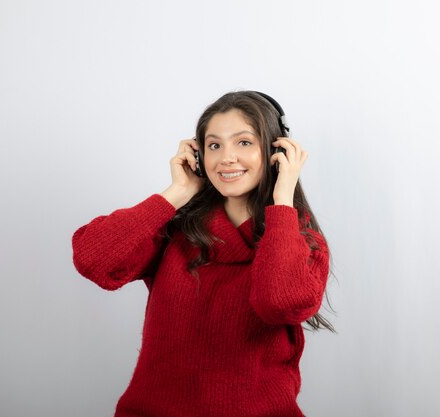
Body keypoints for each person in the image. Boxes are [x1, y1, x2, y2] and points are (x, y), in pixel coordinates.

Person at [71, 90, 335, 417]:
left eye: (243, 142)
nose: (226, 158)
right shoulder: (175, 230)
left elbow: (279, 301)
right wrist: (177, 192)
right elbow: (93, 259)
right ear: (198, 155)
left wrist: (283, 197)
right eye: (214, 145)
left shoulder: (301, 240)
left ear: (275, 150)